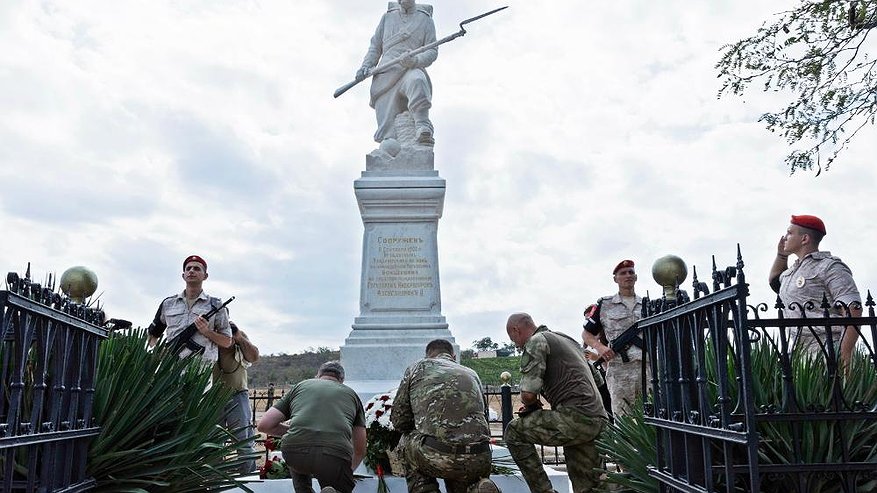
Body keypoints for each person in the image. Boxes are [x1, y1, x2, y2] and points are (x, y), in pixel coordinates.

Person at [505, 313, 607, 493]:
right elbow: (598, 381)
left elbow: (528, 394)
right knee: (588, 486)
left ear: (516, 330)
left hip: (574, 417)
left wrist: (531, 406)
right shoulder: (566, 339)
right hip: (597, 418)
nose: (516, 345)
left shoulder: (536, 341)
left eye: (513, 339)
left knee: (514, 431)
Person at [391, 339, 499, 493]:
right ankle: (476, 489)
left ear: (428, 356)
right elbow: (484, 417)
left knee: (404, 443)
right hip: (480, 456)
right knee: (462, 475)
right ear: (453, 357)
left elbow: (399, 420)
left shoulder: (418, 368)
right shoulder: (471, 373)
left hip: (438, 455)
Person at [257, 361, 366, 493]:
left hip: (296, 452)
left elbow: (264, 425)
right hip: (334, 453)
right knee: (339, 486)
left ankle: (303, 490)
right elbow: (360, 450)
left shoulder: (301, 386)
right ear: (341, 380)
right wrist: (347, 472)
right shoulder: (351, 395)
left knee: (297, 447)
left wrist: (294, 431)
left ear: (318, 376)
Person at [768, 214, 862, 364]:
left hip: (828, 349)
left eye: (790, 233)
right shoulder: (791, 272)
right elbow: (775, 282)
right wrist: (781, 255)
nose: (784, 237)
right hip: (799, 354)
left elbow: (853, 309)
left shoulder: (830, 267)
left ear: (804, 239)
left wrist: (844, 355)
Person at [356, 0, 437, 145]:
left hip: (409, 68)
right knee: (389, 140)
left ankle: (422, 125)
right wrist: (365, 66)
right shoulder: (387, 18)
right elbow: (375, 47)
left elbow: (432, 50)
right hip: (385, 75)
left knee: (417, 80)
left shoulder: (425, 20)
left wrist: (415, 60)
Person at [582, 259, 645, 417]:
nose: (628, 275)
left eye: (631, 272)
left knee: (650, 418)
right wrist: (601, 348)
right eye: (623, 273)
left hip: (646, 368)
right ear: (615, 279)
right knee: (623, 418)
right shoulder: (605, 305)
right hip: (619, 369)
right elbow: (586, 334)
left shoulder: (647, 304)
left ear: (636, 277)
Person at [147, 254, 233, 363]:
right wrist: (158, 352)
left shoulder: (215, 305)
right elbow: (153, 334)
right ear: (183, 275)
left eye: (196, 269)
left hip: (200, 370)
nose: (191, 271)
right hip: (170, 368)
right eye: (188, 268)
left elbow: (227, 342)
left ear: (205, 276)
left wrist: (207, 332)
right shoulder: (168, 304)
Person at [213, 321, 260, 474]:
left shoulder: (236, 335)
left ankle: (248, 479)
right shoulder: (205, 335)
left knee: (244, 442)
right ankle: (215, 482)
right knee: (213, 444)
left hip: (237, 393)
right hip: (211, 398)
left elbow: (253, 357)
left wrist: (239, 337)